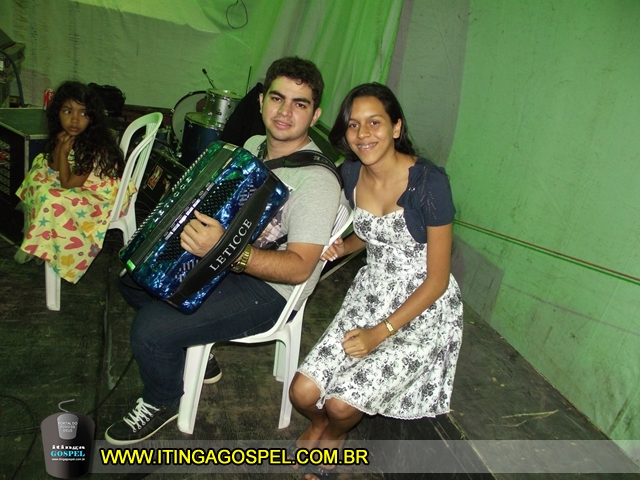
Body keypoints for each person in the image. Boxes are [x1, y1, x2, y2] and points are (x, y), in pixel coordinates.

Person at [105, 57, 342, 445]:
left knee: (148, 330)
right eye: (277, 98)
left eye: (299, 104)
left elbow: (300, 268)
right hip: (227, 261)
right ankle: (196, 347)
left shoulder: (316, 181)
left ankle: (163, 400)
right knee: (134, 278)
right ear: (262, 101)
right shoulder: (253, 146)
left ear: (314, 115)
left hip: (270, 291)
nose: (285, 112)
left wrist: (224, 251)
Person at [289, 83, 463, 478]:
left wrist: (379, 333)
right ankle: (319, 424)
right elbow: (374, 234)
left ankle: (335, 434)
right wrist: (346, 246)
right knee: (302, 392)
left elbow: (437, 279)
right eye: (353, 124)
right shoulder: (351, 172)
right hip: (370, 295)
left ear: (396, 127)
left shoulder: (429, 184)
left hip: (422, 308)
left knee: (341, 405)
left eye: (374, 123)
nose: (362, 134)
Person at [15, 81, 131, 283]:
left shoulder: (93, 145)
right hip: (80, 180)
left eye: (83, 113)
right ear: (57, 114)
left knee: (52, 199)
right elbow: (54, 167)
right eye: (67, 112)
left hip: (104, 195)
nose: (75, 120)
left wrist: (63, 152)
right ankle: (44, 237)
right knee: (39, 168)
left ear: (92, 117)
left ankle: (55, 247)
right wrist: (60, 147)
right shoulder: (67, 135)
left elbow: (68, 185)